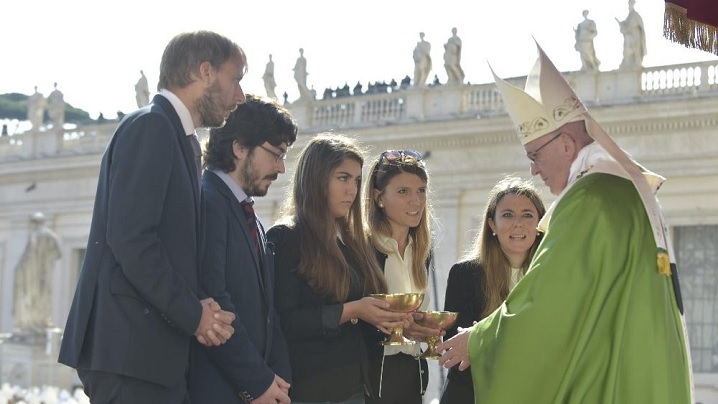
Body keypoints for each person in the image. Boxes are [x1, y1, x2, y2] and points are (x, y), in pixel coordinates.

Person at [436, 43, 692, 403]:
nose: (534, 169)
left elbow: (549, 299)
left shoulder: (588, 200)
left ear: (567, 145)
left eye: (535, 155)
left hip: (610, 374)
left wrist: (478, 340)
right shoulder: (621, 190)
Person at [58, 30, 247, 403]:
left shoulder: (177, 137)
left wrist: (198, 304)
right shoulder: (151, 127)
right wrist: (194, 314)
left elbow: (168, 246)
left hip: (148, 356)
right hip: (131, 355)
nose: (239, 96)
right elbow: (133, 242)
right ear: (205, 72)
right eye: (236, 79)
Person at [268, 134, 410, 403]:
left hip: (357, 386)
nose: (352, 191)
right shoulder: (287, 237)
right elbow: (284, 323)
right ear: (316, 178)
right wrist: (353, 310)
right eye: (343, 178)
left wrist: (393, 320)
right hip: (310, 390)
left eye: (357, 181)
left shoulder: (354, 240)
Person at [188, 94, 297, 404]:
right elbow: (216, 303)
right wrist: (259, 382)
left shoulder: (251, 217)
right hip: (217, 389)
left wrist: (279, 380)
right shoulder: (207, 202)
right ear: (239, 147)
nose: (282, 167)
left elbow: (267, 311)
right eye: (276, 153)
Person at [439, 176, 545, 403]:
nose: (518, 223)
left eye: (527, 215)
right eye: (507, 215)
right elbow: (456, 348)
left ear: (539, 225)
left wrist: (480, 337)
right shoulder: (464, 274)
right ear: (492, 225)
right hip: (473, 394)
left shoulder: (551, 276)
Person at [363, 150, 440, 403]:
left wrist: (424, 331)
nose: (416, 201)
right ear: (378, 197)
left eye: (421, 190)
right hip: (373, 379)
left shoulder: (421, 252)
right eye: (403, 192)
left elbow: (417, 323)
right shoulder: (362, 248)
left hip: (412, 376)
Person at [12, 212, 62, 333]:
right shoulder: (40, 235)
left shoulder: (44, 235)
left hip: (39, 273)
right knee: (36, 296)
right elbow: (57, 253)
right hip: (33, 274)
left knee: (39, 296)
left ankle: (40, 321)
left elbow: (57, 253)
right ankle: (36, 321)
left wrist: (46, 260)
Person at [617, 0, 646, 68]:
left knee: (635, 50)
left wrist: (625, 27)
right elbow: (626, 25)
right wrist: (622, 24)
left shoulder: (636, 15)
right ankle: (628, 63)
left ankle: (634, 62)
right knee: (627, 49)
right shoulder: (629, 16)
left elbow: (632, 26)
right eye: (629, 4)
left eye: (630, 4)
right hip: (629, 36)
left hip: (635, 36)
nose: (629, 6)